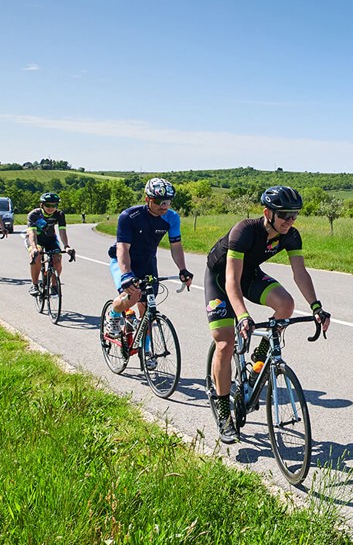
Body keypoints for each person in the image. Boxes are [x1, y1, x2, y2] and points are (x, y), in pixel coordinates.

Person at [205, 185, 330, 443]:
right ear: (267, 213)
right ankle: (224, 412)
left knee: (286, 305)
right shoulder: (245, 230)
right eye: (285, 215)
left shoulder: (291, 235)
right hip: (220, 278)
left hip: (249, 274)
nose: (290, 220)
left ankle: (258, 361)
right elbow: (231, 281)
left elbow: (300, 274)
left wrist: (316, 307)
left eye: (295, 215)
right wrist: (242, 316)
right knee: (226, 343)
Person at [104, 178, 193, 338]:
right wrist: (126, 274)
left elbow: (176, 246)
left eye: (168, 201)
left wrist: (183, 269)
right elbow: (122, 247)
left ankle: (147, 352)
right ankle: (114, 314)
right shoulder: (130, 216)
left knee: (147, 309)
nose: (164, 206)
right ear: (147, 199)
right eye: (159, 201)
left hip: (147, 262)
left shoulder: (172, 218)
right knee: (133, 297)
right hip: (123, 261)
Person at [26, 192, 75, 296]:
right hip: (36, 239)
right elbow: (32, 233)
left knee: (57, 257)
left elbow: (62, 231)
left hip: (50, 239)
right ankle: (34, 285)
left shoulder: (59, 214)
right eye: (48, 205)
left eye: (54, 205)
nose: (51, 208)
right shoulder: (34, 214)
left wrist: (66, 246)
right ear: (42, 205)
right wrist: (34, 248)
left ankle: (54, 285)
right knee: (37, 255)